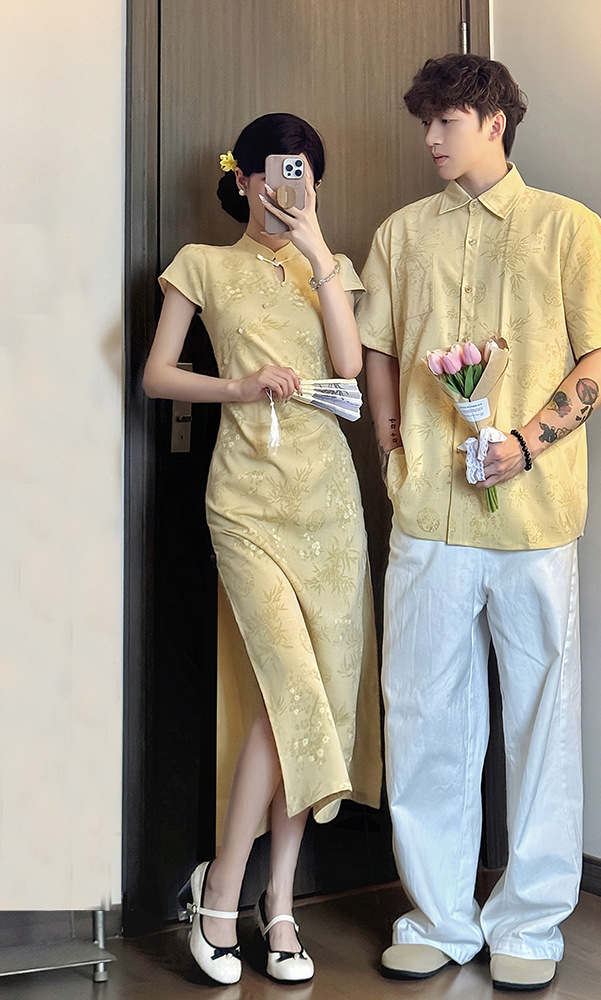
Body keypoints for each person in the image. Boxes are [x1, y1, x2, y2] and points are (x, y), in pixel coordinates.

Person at [357, 54, 601, 993]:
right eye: (425, 123)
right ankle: (438, 917)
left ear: (494, 122)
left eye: (445, 121)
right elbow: (377, 351)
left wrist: (528, 442)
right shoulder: (401, 233)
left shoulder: (569, 226)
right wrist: (395, 457)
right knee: (423, 714)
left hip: (536, 517)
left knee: (541, 718)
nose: (430, 139)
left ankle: (529, 921)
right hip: (429, 516)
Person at [143, 113, 381, 986]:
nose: (291, 186)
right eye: (279, 171)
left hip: (329, 507)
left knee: (319, 700)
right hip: (244, 503)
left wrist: (317, 249)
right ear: (243, 178)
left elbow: (349, 366)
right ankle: (218, 895)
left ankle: (278, 904)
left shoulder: (332, 265)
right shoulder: (201, 266)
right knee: (291, 697)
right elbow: (156, 376)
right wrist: (239, 387)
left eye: (305, 173)